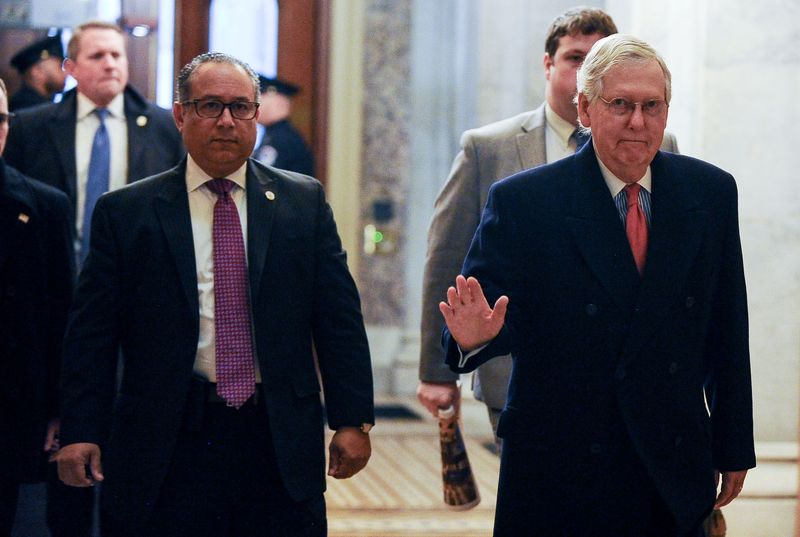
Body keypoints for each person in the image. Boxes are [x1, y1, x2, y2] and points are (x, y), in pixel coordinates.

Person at [440, 34, 754, 536]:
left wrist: (734, 443)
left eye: (652, 106)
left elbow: (726, 326)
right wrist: (473, 338)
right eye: (621, 105)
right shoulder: (525, 202)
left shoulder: (710, 193)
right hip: (561, 463)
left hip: (671, 455)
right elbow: (486, 321)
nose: (638, 121)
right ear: (585, 109)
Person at [53, 52, 374, 537]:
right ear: (181, 115)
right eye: (210, 106)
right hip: (167, 436)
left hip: (276, 435)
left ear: (257, 114)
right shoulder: (127, 212)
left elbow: (337, 319)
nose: (227, 121)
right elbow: (93, 334)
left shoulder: (301, 203)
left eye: (241, 107)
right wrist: (81, 429)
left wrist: (353, 419)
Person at [419, 6, 681, 431]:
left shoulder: (659, 143)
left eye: (598, 58)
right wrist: (437, 370)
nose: (586, 69)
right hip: (520, 371)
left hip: (634, 375)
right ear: (548, 64)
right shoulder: (489, 148)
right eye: (576, 58)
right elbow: (448, 261)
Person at [4, 21, 184, 264]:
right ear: (71, 67)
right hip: (55, 271)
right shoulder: (30, 127)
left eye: (116, 55)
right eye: (97, 56)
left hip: (138, 276)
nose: (109, 64)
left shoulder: (165, 127)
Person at [0, 77, 75, 536]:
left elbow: (61, 317)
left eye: (0, 119)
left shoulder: (43, 206)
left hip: (10, 410)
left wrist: (60, 408)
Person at [252, 74, 314, 176]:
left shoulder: (282, 138)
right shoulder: (275, 134)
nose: (254, 106)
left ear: (277, 101)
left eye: (260, 99)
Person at [8, 33, 66, 111]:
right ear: (37, 72)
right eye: (59, 67)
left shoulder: (45, 105)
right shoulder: (26, 110)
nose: (66, 74)